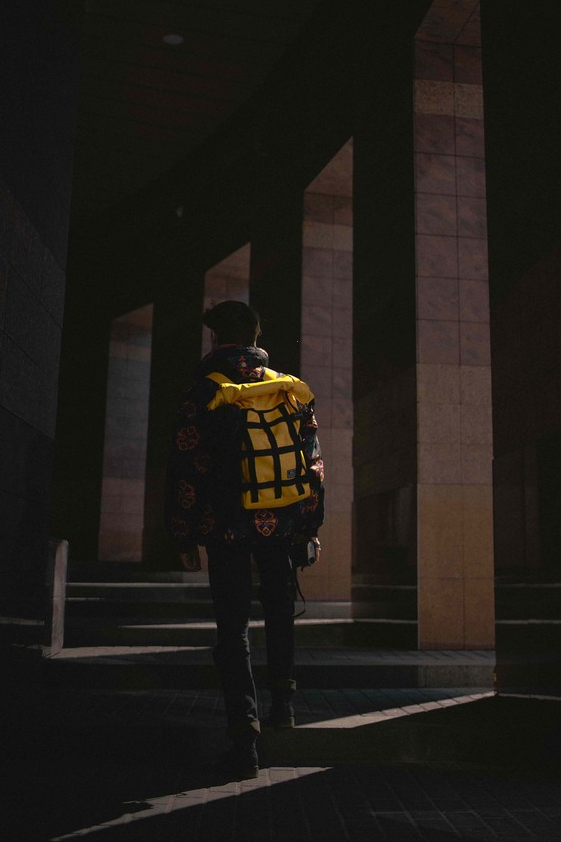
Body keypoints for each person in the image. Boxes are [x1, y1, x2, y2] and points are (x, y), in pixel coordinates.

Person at [164, 300, 325, 779]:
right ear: (256, 338)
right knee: (279, 611)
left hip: (226, 524)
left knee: (232, 629)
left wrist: (184, 534)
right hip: (283, 523)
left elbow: (186, 467)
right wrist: (309, 529)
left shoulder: (204, 391)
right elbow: (314, 464)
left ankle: (244, 739)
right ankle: (284, 705)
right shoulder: (289, 389)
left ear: (215, 338)